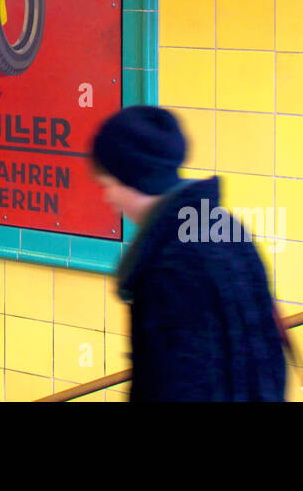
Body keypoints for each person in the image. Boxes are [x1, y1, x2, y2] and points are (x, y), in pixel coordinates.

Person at [91, 105, 287, 401]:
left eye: (108, 184)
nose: (107, 197)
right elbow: (269, 350)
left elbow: (177, 382)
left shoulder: (171, 264)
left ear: (132, 178)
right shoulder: (226, 227)